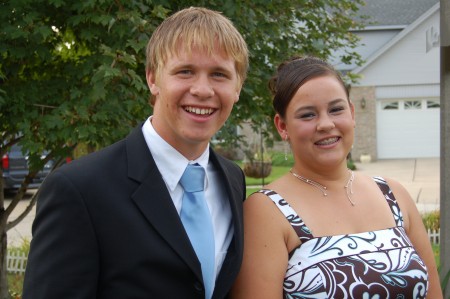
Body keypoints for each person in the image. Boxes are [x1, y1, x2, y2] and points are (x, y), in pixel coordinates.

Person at [23, 7, 248, 299]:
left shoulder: (233, 180)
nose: (203, 90)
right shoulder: (79, 190)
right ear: (152, 79)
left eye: (219, 74)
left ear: (238, 87)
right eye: (185, 71)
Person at [230, 56, 442, 299]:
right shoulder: (266, 210)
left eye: (336, 109)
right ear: (282, 126)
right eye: (307, 115)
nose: (325, 124)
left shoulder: (393, 195)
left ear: (351, 113)